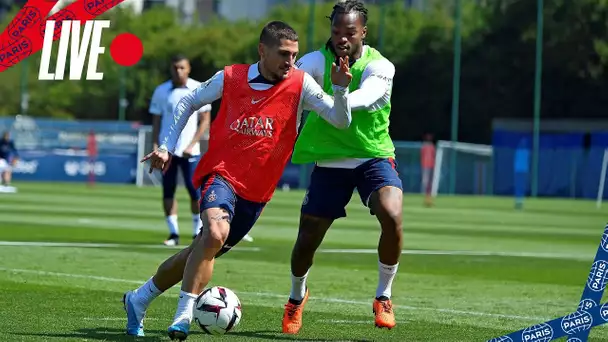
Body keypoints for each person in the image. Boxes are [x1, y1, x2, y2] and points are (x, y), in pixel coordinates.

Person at [122, 20, 353, 340]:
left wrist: (340, 88)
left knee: (200, 251)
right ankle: (183, 315)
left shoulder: (302, 84)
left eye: (294, 55)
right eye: (284, 54)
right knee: (214, 234)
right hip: (220, 175)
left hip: (257, 193)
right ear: (262, 50)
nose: (291, 62)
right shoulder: (230, 77)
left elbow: (341, 121)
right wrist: (166, 147)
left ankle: (138, 299)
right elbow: (189, 100)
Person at [283, 0, 403, 333]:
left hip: (372, 156)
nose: (342, 38)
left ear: (363, 31)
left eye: (350, 32)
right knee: (307, 239)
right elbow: (285, 88)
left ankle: (383, 296)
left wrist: (334, 93)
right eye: (336, 31)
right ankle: (296, 299)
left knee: (391, 214)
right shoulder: (312, 62)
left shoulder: (380, 67)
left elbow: (363, 99)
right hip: (330, 161)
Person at [149, 54, 213, 245]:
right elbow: (156, 122)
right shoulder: (161, 91)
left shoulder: (198, 88)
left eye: (182, 67)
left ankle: (196, 232)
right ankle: (173, 234)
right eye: (175, 67)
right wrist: (155, 146)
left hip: (191, 151)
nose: (179, 71)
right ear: (171, 69)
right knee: (168, 191)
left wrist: (193, 144)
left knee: (195, 192)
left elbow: (205, 121)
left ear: (189, 68)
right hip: (167, 151)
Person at [420, 133, 435, 207]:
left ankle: (428, 197)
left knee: (429, 183)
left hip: (431, 166)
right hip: (425, 166)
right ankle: (427, 197)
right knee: (425, 182)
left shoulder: (432, 146)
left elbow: (433, 156)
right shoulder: (424, 146)